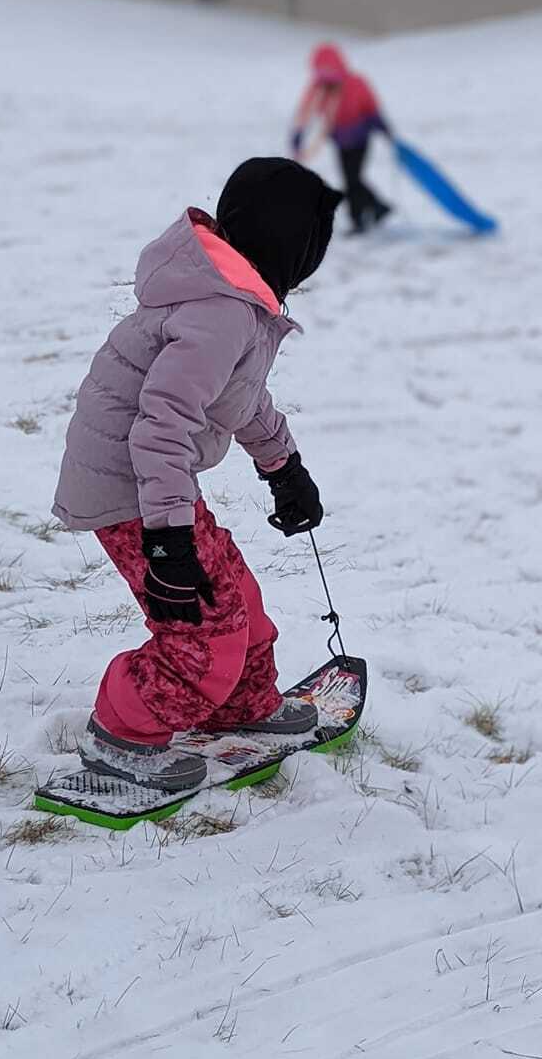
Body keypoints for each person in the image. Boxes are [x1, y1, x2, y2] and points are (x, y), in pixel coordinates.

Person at [51, 158, 343, 797]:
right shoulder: (222, 312)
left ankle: (242, 705)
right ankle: (121, 735)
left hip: (157, 483)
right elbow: (161, 428)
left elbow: (236, 398)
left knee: (236, 596)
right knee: (203, 629)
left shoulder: (237, 300)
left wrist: (284, 467)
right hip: (131, 489)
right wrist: (168, 543)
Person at [291, 42, 392, 234]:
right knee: (352, 179)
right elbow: (307, 112)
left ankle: (359, 219)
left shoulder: (355, 83)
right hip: (340, 141)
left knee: (352, 180)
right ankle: (378, 207)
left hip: (360, 140)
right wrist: (299, 134)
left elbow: (371, 107)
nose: (328, 81)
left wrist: (382, 127)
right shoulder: (320, 89)